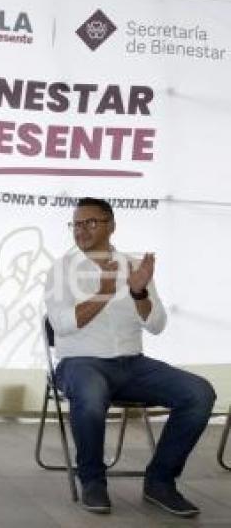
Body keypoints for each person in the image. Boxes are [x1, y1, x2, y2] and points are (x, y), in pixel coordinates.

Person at [44, 197, 216, 517]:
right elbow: (63, 325)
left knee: (199, 393)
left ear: (111, 225)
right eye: (76, 224)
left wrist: (139, 293)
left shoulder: (135, 267)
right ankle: (93, 481)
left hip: (132, 363)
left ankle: (160, 481)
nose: (81, 231)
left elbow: (156, 325)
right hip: (79, 363)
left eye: (90, 223)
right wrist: (105, 292)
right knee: (91, 392)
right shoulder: (61, 270)